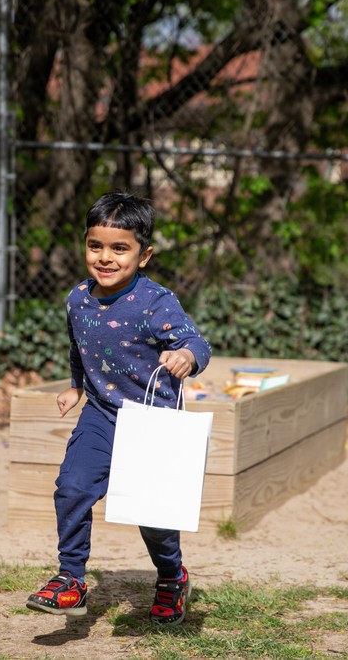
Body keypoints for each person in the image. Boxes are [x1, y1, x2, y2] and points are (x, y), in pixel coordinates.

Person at [25, 191, 212, 625]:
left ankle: (171, 577)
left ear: (144, 255)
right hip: (103, 414)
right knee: (72, 486)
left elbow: (197, 342)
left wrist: (186, 356)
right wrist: (75, 387)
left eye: (119, 248)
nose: (105, 257)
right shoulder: (78, 299)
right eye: (95, 246)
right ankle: (70, 579)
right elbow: (80, 347)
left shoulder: (155, 301)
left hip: (152, 419)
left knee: (153, 512)